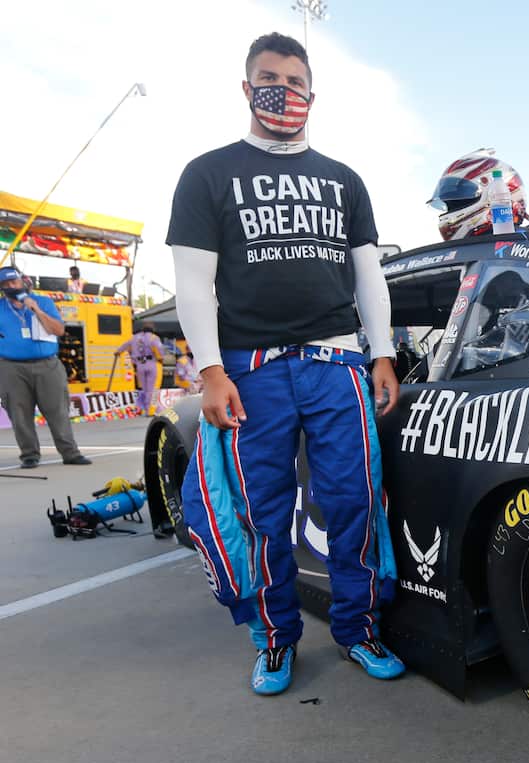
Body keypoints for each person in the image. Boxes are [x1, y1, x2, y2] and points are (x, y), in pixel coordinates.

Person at [169, 32, 403, 696]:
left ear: (312, 93)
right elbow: (194, 283)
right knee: (263, 511)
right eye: (269, 79)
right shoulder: (208, 173)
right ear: (246, 88)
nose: (283, 92)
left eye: (296, 82)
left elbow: (369, 278)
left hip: (337, 363)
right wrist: (212, 370)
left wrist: (380, 353)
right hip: (252, 369)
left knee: (354, 500)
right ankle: (275, 637)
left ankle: (358, 630)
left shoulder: (344, 179)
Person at [0, 267, 92, 468]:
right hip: (11, 367)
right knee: (19, 412)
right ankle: (29, 454)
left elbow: (58, 330)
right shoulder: (1, 308)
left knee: (57, 410)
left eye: (13, 282)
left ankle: (70, 453)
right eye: (5, 285)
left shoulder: (43, 302)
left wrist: (36, 310)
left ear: (22, 281)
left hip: (47, 364)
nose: (10, 287)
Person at [116, 321, 164, 416]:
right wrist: (160, 359)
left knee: (145, 388)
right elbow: (159, 350)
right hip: (152, 364)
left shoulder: (134, 338)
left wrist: (118, 352)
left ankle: (146, 409)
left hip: (140, 365)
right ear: (152, 330)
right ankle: (152, 410)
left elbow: (125, 346)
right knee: (154, 388)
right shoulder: (154, 338)